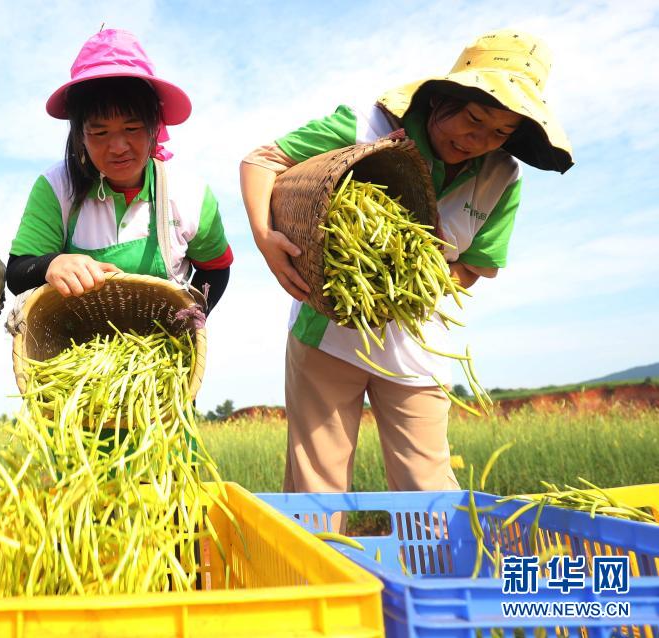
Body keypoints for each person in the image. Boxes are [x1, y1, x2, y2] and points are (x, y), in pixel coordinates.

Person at [240, 29, 573, 498]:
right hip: (328, 332)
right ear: (441, 100)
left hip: (418, 339)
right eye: (474, 120)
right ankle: (326, 570)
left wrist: (423, 275)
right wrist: (263, 234)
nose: (479, 140)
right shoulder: (365, 127)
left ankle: (434, 571)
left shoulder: (502, 174)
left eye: (500, 132)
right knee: (318, 486)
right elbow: (263, 159)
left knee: (428, 487)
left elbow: (477, 265)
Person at [5, 29, 233, 310]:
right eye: (99, 132)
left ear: (154, 126)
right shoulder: (57, 186)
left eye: (132, 128)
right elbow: (17, 272)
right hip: (79, 339)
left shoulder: (189, 194)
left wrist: (192, 317)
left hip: (160, 338)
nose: (117, 146)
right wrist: (52, 263)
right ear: (80, 136)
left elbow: (216, 268)